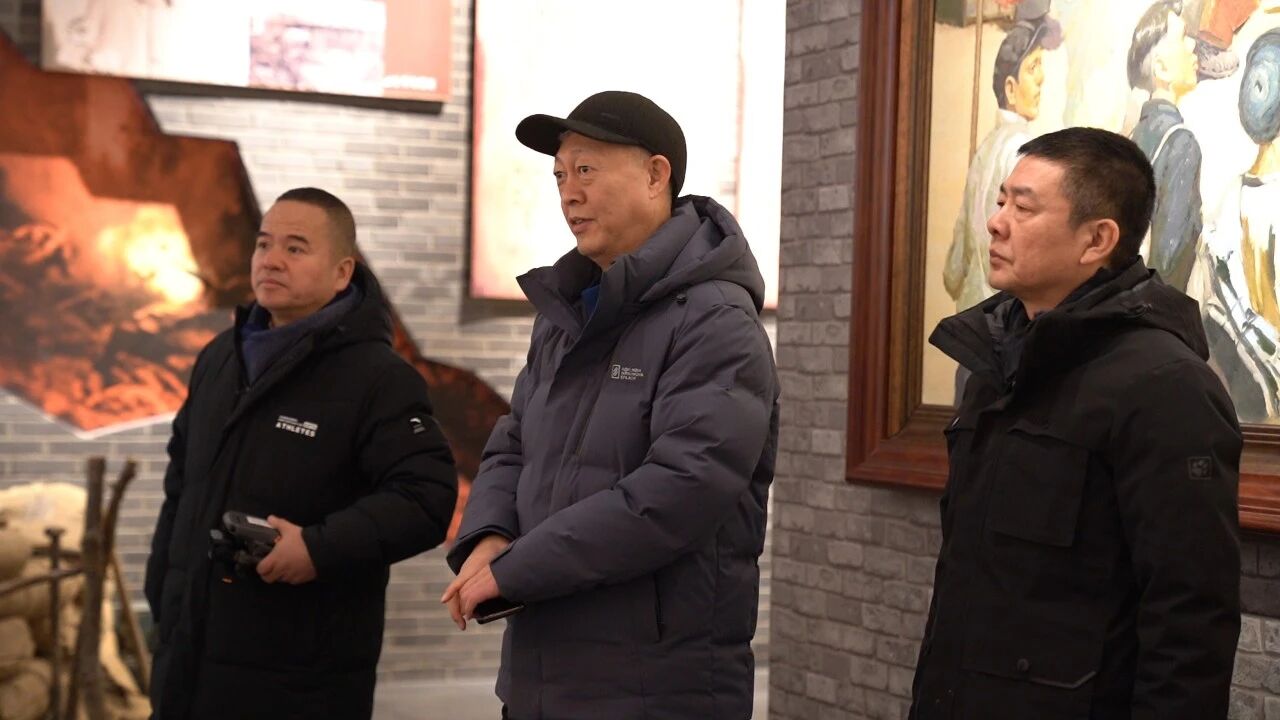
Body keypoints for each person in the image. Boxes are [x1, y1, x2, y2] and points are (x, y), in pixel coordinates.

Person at [441, 90, 779, 719]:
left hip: (655, 688)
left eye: (587, 170)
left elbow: (679, 490)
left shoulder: (715, 321)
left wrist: (519, 568)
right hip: (542, 676)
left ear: (656, 175)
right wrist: (489, 535)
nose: (569, 194)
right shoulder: (566, 314)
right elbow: (513, 442)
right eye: (559, 176)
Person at [912, 128, 1242, 719]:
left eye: (1023, 207)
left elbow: (1189, 619)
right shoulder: (992, 367)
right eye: (1001, 201)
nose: (996, 222)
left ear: (1097, 239)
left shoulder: (1166, 387)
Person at [144, 187, 458, 720]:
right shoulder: (219, 359)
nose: (271, 260)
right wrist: (162, 588)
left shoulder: (379, 379)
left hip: (299, 676)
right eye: (264, 244)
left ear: (342, 273)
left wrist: (318, 548)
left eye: (295, 248)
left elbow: (426, 499)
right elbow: (180, 485)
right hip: (186, 658)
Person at [944, 17, 1059, 314]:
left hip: (971, 312)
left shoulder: (984, 149)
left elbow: (954, 268)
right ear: (1010, 88)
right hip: (1004, 315)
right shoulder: (1025, 152)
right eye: (1033, 68)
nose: (1042, 78)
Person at [1128, 0, 1204, 292]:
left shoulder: (1132, 138)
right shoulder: (1181, 144)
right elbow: (1170, 264)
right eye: (1183, 38)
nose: (1192, 46)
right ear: (1161, 67)